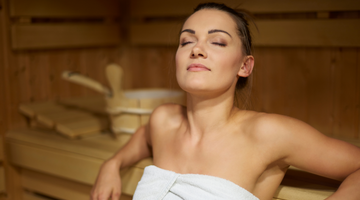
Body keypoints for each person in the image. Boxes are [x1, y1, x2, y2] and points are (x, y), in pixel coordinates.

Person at [91, 2, 360, 200]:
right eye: (186, 41)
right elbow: (143, 136)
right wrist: (111, 164)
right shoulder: (164, 120)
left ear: (244, 66)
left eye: (217, 42)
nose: (196, 49)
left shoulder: (267, 134)